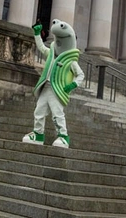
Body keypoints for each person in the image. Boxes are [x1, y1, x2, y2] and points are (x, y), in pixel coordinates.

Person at [22, 18, 84, 148]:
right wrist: (37, 34)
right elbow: (41, 47)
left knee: (57, 113)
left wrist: (73, 84)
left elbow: (80, 74)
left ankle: (63, 136)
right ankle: (38, 134)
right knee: (39, 110)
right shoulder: (51, 54)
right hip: (46, 86)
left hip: (57, 89)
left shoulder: (70, 61)